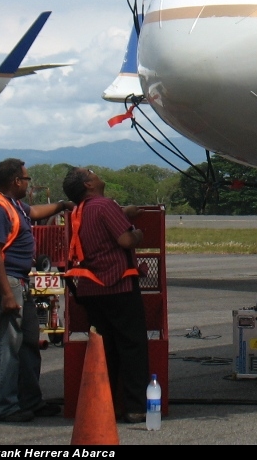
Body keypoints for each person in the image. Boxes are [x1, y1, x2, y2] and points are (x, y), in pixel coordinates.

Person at [0, 158, 73, 422]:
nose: (28, 183)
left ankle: (29, 401)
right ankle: (2, 407)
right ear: (15, 181)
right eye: (26, 179)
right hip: (4, 283)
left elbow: (34, 213)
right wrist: (7, 295)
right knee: (5, 345)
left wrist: (62, 205)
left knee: (28, 342)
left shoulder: (14, 206)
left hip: (17, 281)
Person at [62, 166, 149, 424]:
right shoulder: (105, 205)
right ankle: (135, 407)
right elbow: (125, 240)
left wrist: (123, 213)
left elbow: (99, 223)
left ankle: (105, 406)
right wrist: (137, 233)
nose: (97, 174)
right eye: (92, 172)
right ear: (88, 184)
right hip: (118, 285)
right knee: (132, 346)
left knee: (105, 350)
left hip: (90, 289)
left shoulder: (80, 211)